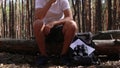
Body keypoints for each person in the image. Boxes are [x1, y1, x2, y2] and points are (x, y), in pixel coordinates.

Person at [33, 0, 78, 65]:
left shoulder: (63, 1)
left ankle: (63, 55)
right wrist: (50, 3)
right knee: (37, 24)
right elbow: (39, 17)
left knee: (72, 25)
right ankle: (43, 55)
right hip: (44, 29)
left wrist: (54, 23)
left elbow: (69, 17)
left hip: (60, 28)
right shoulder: (40, 0)